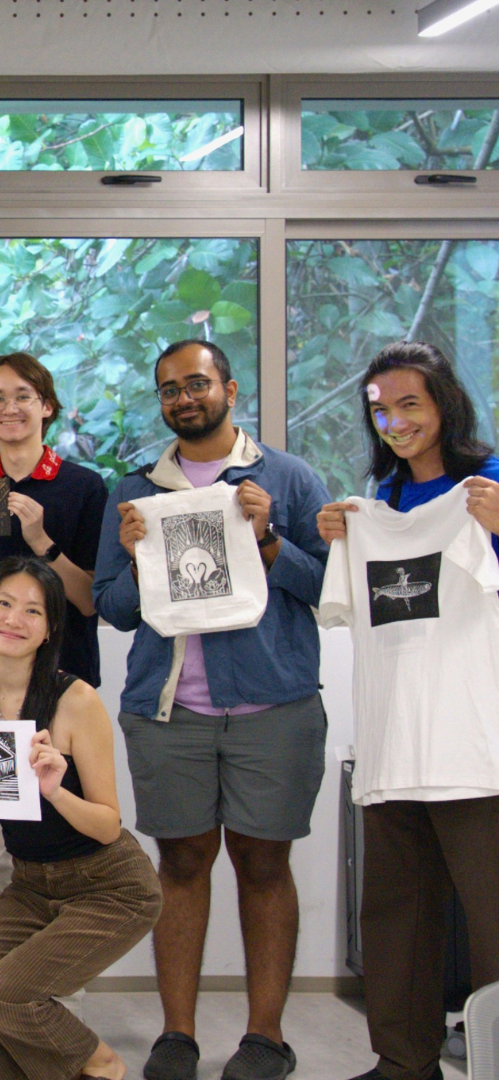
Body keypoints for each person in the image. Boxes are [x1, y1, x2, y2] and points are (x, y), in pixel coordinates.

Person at [93, 340, 331, 1080]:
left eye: (196, 384)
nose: (184, 398)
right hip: (169, 712)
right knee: (183, 862)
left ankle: (266, 1038)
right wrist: (135, 556)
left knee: (264, 864)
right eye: (169, 389)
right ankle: (178, 1035)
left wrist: (267, 539)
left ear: (228, 388)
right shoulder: (132, 488)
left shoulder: (288, 477)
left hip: (274, 706)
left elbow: (329, 585)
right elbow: (114, 609)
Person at [313, 341, 499, 1080]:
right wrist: (338, 537)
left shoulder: (485, 489)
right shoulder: (373, 507)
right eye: (380, 409)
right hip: (389, 754)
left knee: (493, 924)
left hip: (473, 752)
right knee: (395, 921)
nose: (394, 421)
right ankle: (403, 1062)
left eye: (409, 404)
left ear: (444, 403)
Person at [0, 556, 161, 1080]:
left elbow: (109, 824)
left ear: (49, 630)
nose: (13, 620)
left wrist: (54, 791)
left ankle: (101, 1064)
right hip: (31, 882)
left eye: (32, 611)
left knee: (7, 994)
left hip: (108, 885)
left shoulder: (76, 699)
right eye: (3, 604)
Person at [0, 354, 110, 906]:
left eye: (22, 396)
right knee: (3, 851)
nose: (9, 408)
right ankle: (7, 984)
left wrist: (42, 541)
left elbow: (89, 600)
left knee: (68, 841)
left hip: (63, 686)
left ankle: (59, 984)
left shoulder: (83, 487)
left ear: (46, 406)